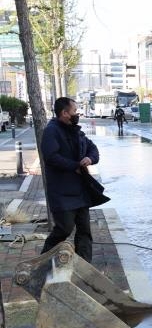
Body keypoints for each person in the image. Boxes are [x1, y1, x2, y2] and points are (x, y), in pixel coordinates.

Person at [40, 97, 101, 263]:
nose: (77, 114)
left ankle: (84, 266)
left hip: (81, 191)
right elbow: (51, 157)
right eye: (74, 111)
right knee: (64, 229)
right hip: (62, 191)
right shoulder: (51, 131)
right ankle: (42, 262)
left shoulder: (75, 130)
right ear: (64, 113)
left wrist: (89, 158)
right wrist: (74, 166)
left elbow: (93, 148)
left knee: (85, 231)